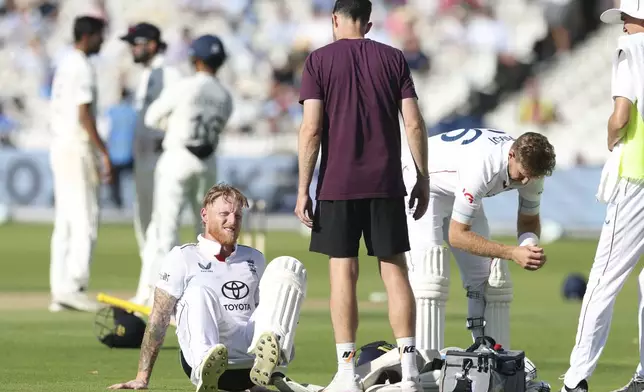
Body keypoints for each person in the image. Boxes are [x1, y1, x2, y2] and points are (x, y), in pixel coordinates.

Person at [294, 1, 430, 391]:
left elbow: (312, 130)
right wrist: (422, 176)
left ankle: (347, 373)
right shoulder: (393, 58)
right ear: (368, 23)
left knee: (343, 274)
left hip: (337, 184)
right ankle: (409, 374)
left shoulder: (318, 61)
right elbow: (414, 122)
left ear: (334, 19)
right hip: (386, 183)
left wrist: (304, 188)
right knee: (394, 271)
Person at [107, 184, 307, 392]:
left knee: (287, 267)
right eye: (224, 214)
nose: (232, 221)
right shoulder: (182, 257)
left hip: (248, 360)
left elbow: (266, 311)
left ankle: (266, 367)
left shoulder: (254, 258)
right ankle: (206, 368)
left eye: (238, 216)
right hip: (206, 356)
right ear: (204, 215)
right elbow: (159, 318)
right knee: (198, 292)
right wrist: (142, 377)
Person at [403, 129, 554, 355]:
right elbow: (457, 236)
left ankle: (483, 351)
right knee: (428, 276)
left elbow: (529, 220)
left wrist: (527, 246)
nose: (524, 182)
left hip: (456, 186)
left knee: (483, 277)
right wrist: (511, 252)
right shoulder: (484, 166)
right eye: (521, 174)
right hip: (423, 181)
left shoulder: (531, 171)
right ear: (511, 155)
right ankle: (420, 362)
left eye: (530, 177)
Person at [562, 2, 644, 391]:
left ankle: (577, 378)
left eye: (627, 19)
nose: (623, 27)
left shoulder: (631, 51)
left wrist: (611, 140)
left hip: (638, 177)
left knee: (602, 281)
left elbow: (621, 116)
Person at [137, 34, 233, 308]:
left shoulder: (185, 86)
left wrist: (176, 125)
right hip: (207, 162)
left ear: (195, 60)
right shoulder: (225, 96)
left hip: (178, 156)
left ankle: (158, 294)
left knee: (164, 228)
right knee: (203, 230)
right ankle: (201, 292)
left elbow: (152, 117)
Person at [48, 15, 111, 313]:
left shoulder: (65, 63)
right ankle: (73, 286)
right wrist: (103, 151)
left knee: (65, 221)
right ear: (87, 36)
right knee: (85, 217)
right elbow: (84, 114)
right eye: (100, 35)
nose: (103, 40)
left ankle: (59, 288)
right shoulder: (82, 66)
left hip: (60, 144)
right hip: (77, 146)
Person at [119, 22, 185, 305]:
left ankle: (150, 292)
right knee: (145, 225)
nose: (133, 47)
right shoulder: (146, 75)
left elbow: (178, 109)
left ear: (155, 44)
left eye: (139, 42)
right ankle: (158, 287)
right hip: (144, 160)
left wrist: (165, 138)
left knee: (158, 226)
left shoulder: (168, 73)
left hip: (161, 160)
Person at [105, 88, 137, 209]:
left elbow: (106, 130)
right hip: (130, 153)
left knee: (114, 181)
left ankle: (117, 202)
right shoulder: (133, 112)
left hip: (114, 154)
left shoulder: (112, 111)